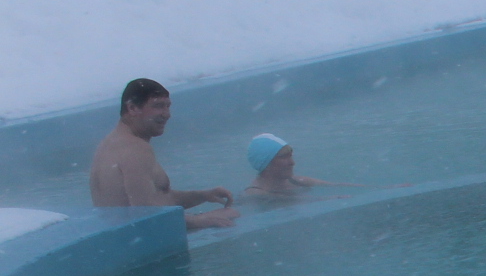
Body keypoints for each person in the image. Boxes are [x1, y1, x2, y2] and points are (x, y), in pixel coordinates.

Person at [89, 79, 237, 230]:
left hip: (122, 241)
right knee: (233, 215)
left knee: (229, 213)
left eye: (168, 106)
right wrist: (201, 221)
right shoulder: (135, 149)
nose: (167, 114)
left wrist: (203, 195)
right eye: (158, 106)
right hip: (143, 246)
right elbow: (146, 215)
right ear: (132, 108)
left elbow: (158, 199)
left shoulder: (109, 145)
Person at [242, 135, 351, 203]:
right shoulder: (255, 193)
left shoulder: (295, 181)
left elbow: (336, 185)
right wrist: (333, 198)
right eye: (283, 157)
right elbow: (296, 200)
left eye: (290, 156)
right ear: (266, 163)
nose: (292, 163)